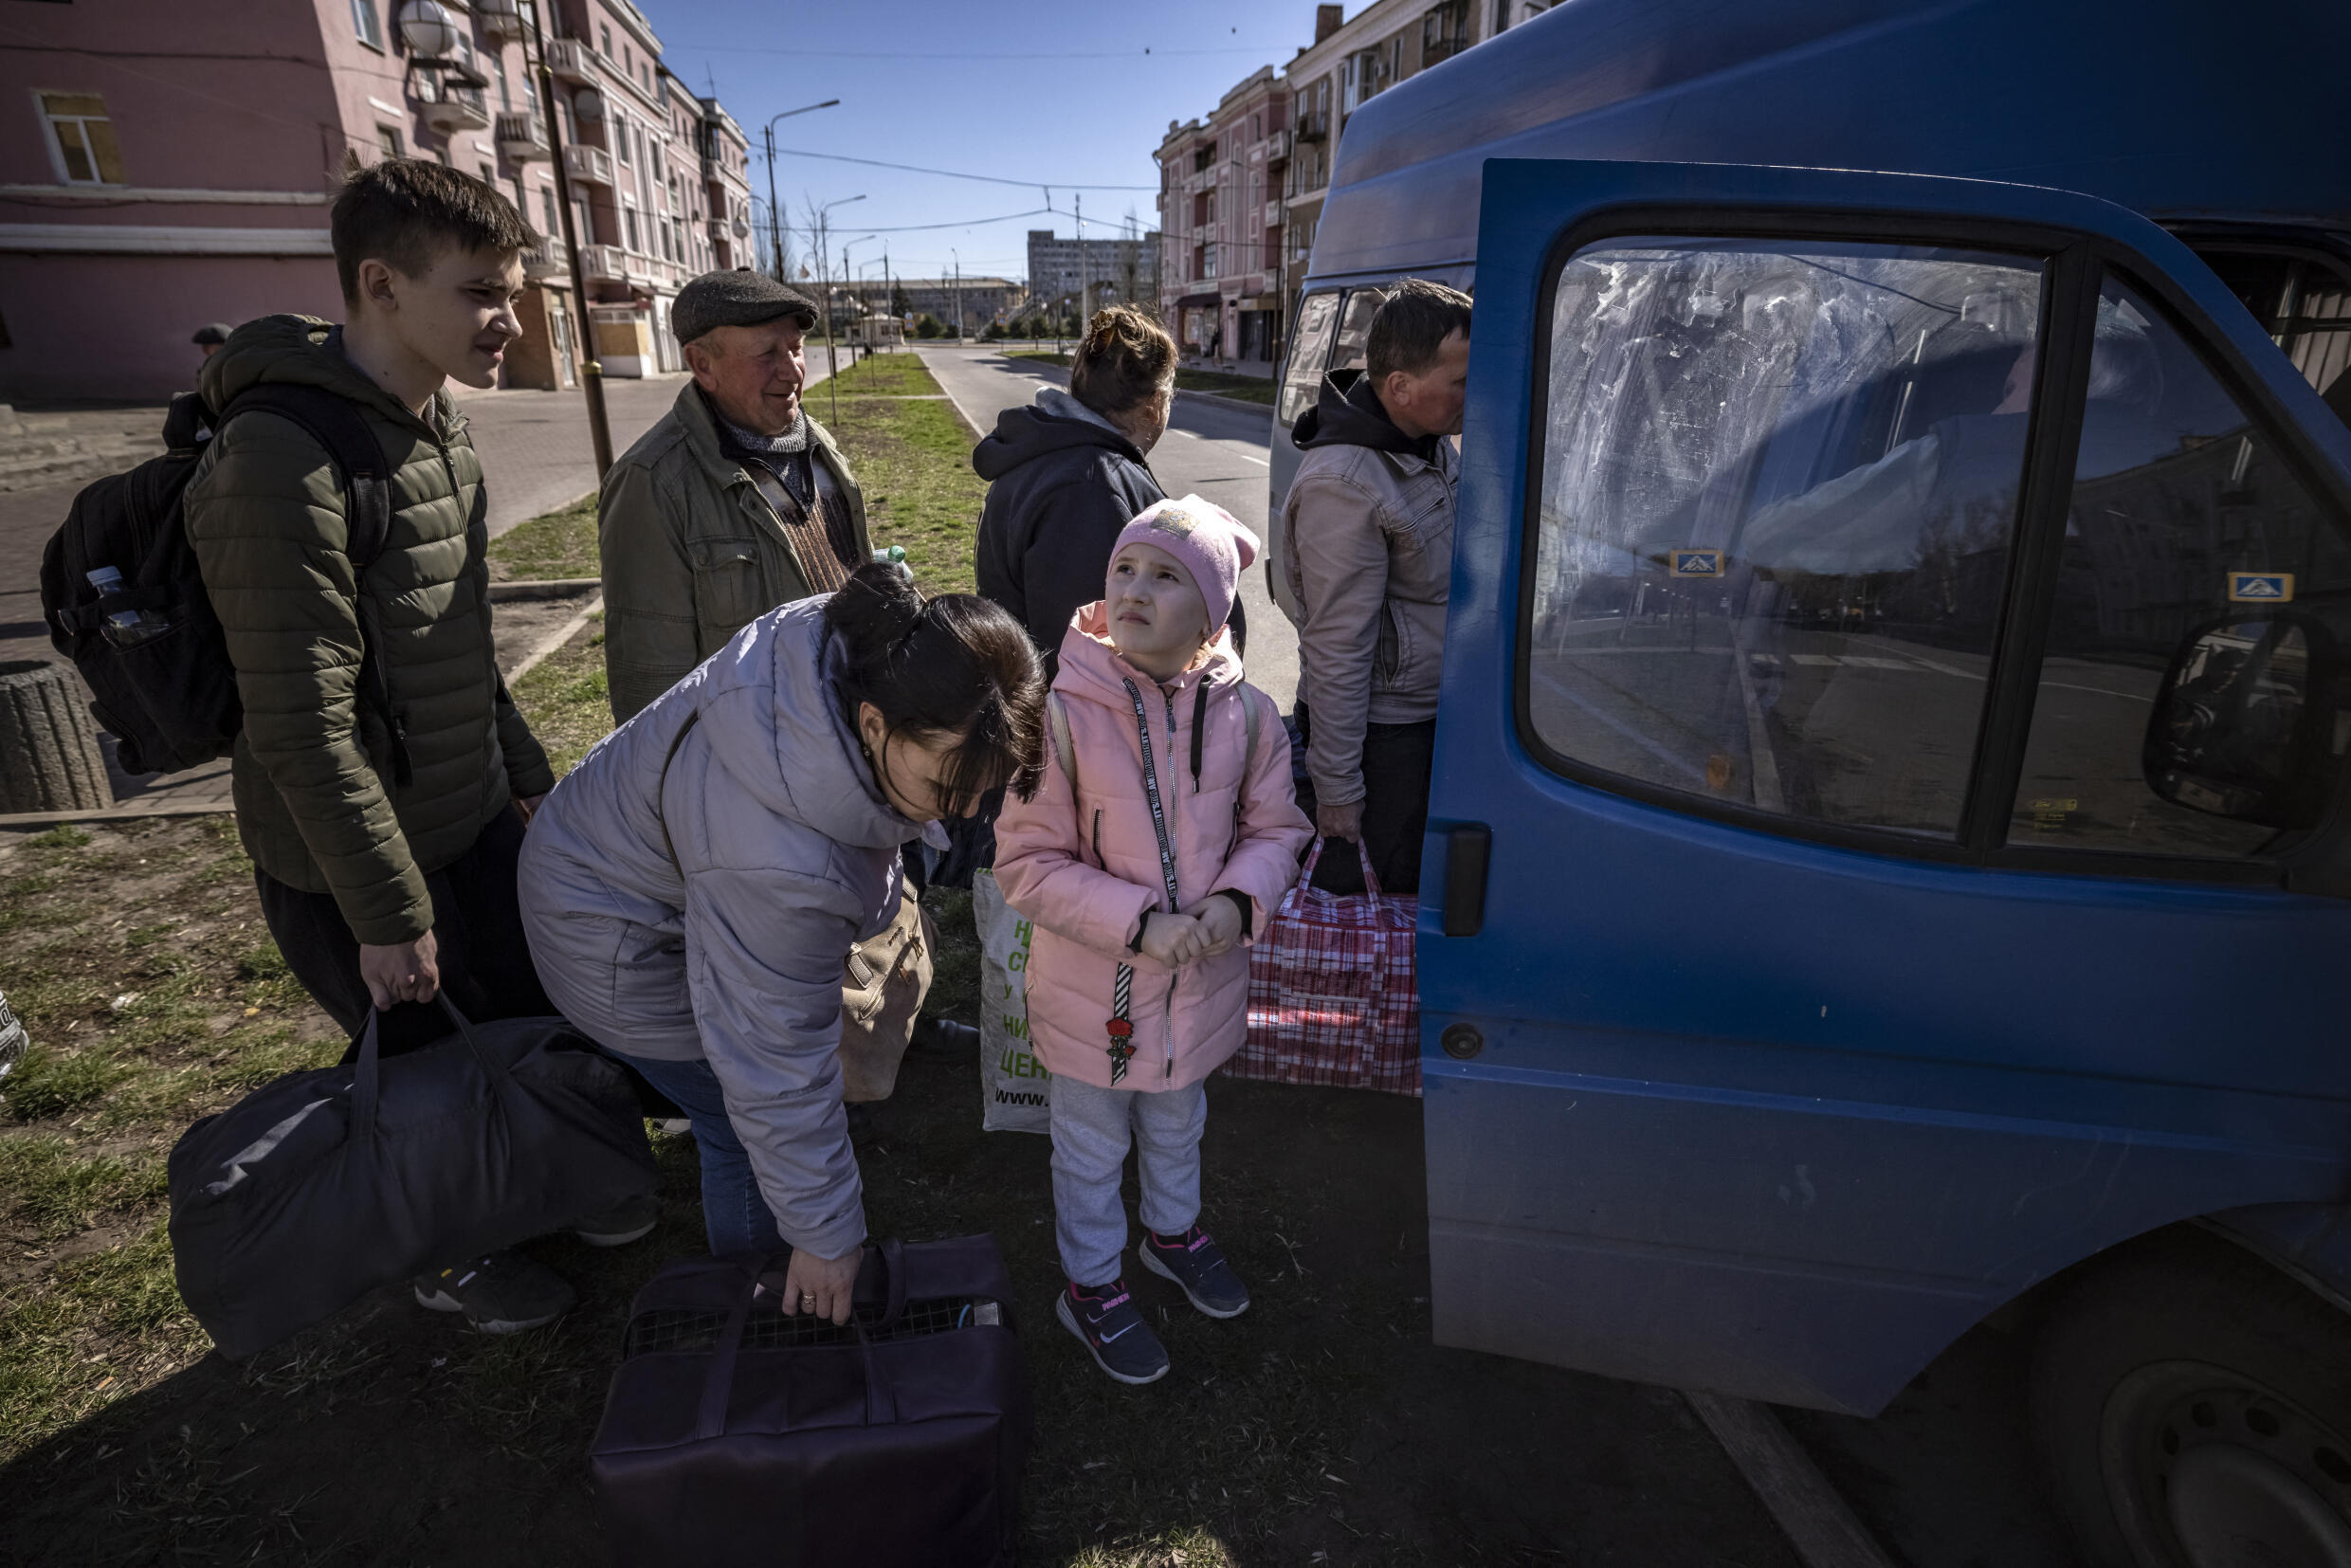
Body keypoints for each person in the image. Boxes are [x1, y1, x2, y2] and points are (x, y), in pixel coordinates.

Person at [183, 158, 637, 1337]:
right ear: (380, 284)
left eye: (516, 291)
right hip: (350, 857)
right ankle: (449, 1254)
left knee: (515, 1019)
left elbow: (462, 643)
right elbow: (296, 715)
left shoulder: (438, 430)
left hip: (468, 811)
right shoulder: (278, 455)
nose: (511, 322)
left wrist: (527, 782)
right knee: (421, 1065)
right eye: (484, 292)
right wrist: (385, 912)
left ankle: (531, 1185)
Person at [518, 565, 1047, 1322]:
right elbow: (771, 1063)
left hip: (617, 872)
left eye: (982, 788)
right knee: (737, 1121)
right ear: (872, 724)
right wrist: (827, 1235)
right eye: (945, 787)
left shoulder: (852, 653)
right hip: (611, 945)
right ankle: (768, 1296)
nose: (963, 812)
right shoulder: (777, 864)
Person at [994, 496, 1312, 1385]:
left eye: (1167, 577)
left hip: (1201, 989)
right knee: (1091, 1149)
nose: (1134, 590)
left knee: (1180, 1124)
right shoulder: (1056, 717)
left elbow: (1277, 833)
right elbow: (1026, 864)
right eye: (1124, 570)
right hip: (1094, 998)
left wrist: (1238, 905)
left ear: (1212, 612)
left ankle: (1173, 1232)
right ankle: (1091, 1284)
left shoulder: (1248, 718)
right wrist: (1138, 923)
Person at [598, 270, 871, 724]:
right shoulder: (651, 482)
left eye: (796, 348)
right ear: (702, 364)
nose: (792, 370)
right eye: (767, 353)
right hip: (750, 764)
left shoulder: (815, 439)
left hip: (843, 730)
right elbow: (651, 690)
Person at [1280, 278, 1471, 897]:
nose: (1475, 394)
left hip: (1427, 722)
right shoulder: (1346, 483)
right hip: (1382, 746)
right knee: (1371, 920)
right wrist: (1338, 791)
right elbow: (1338, 647)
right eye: (1462, 382)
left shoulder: (1428, 443)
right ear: (1400, 389)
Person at [975, 304, 1246, 674]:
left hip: (1034, 702)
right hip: (1083, 724)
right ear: (1154, 406)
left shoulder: (1050, 451)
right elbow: (1091, 653)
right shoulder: (1089, 487)